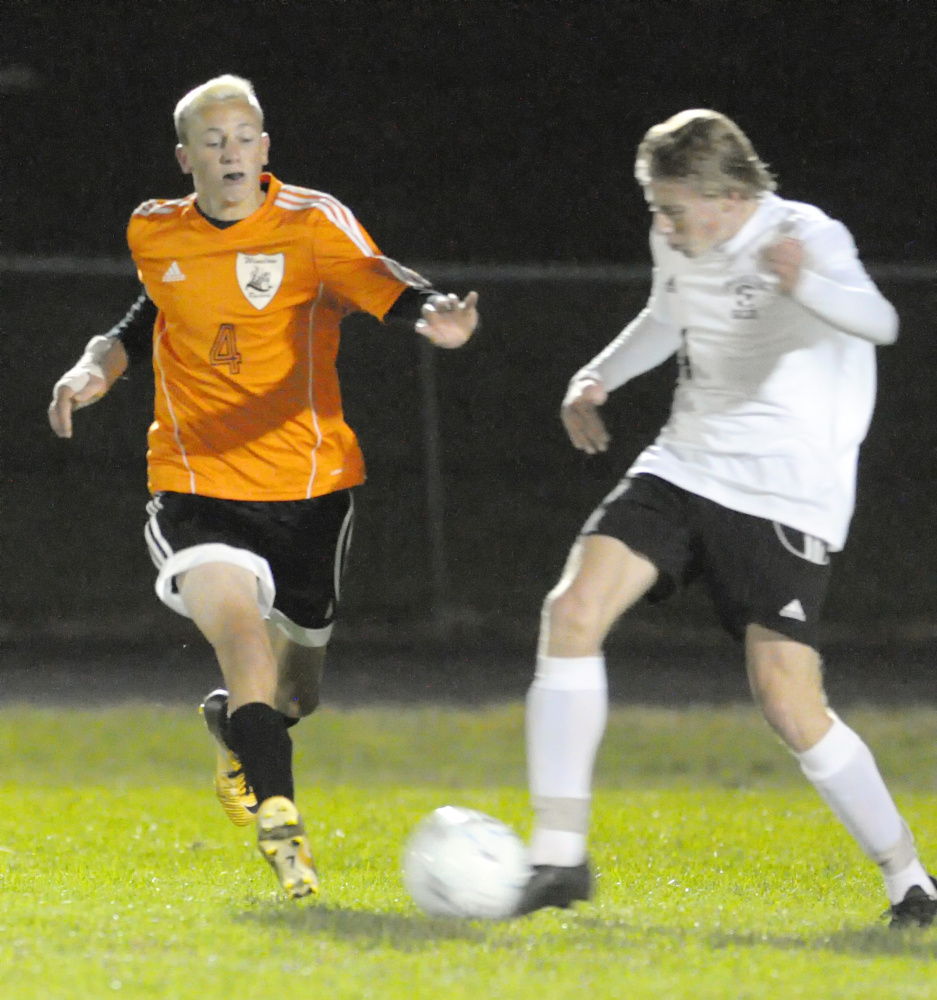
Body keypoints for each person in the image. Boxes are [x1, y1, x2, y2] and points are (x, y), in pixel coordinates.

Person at [48, 74, 478, 899]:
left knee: (294, 691)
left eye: (245, 136)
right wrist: (92, 366)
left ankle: (238, 727)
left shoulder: (312, 224)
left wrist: (434, 314)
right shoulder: (154, 230)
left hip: (311, 489)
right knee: (241, 637)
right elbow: (151, 311)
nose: (231, 152)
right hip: (197, 482)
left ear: (266, 148)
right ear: (186, 158)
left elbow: (381, 283)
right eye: (213, 141)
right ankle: (282, 823)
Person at [514, 109, 936, 927]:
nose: (660, 224)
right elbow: (666, 316)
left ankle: (907, 878)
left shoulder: (803, 232)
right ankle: (559, 856)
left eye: (672, 207)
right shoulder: (676, 240)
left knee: (786, 699)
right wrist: (594, 377)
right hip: (684, 461)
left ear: (731, 195)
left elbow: (880, 321)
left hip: (785, 489)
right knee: (570, 612)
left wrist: (801, 282)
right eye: (654, 207)